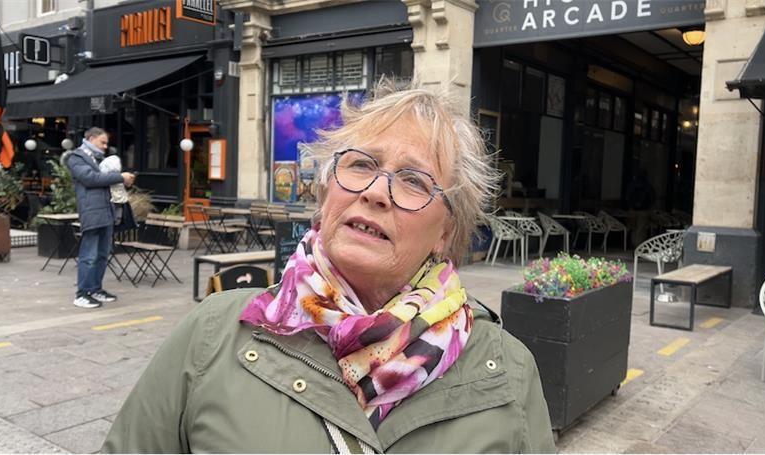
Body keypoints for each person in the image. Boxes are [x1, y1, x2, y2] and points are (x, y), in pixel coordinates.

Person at [102, 83, 555, 453]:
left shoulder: (507, 372)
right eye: (361, 165)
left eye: (414, 181)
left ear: (445, 232)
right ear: (326, 193)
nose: (377, 191)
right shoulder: (212, 335)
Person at [62, 127, 135, 309]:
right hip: (92, 211)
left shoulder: (99, 158)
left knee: (102, 254)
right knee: (89, 255)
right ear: (91, 138)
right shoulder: (76, 157)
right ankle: (82, 294)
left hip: (107, 210)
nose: (105, 146)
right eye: (102, 142)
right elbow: (90, 178)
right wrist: (119, 177)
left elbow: (100, 178)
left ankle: (95, 289)